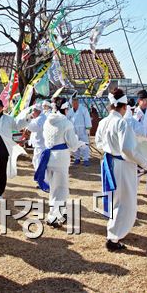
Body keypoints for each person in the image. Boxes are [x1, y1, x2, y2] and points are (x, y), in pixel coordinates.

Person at [95, 88, 147, 251]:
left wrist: (110, 149)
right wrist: (146, 164)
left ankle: (113, 232)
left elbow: (99, 143)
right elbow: (128, 149)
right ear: (123, 107)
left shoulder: (103, 122)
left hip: (109, 162)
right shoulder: (121, 123)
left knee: (116, 199)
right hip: (121, 164)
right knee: (125, 202)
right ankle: (113, 238)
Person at [35, 97, 84, 228]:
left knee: (54, 188)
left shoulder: (47, 121)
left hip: (49, 157)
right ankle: (54, 217)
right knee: (61, 189)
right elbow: (72, 144)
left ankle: (58, 213)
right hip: (60, 159)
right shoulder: (66, 123)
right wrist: (80, 143)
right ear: (65, 109)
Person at [68, 97, 92, 166]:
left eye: (76, 103)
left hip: (83, 130)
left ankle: (86, 159)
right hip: (73, 130)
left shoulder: (83, 109)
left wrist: (88, 128)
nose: (74, 104)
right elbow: (67, 119)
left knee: (84, 144)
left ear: (78, 102)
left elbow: (87, 118)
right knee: (75, 144)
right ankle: (77, 158)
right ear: (71, 103)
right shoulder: (70, 111)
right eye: (73, 103)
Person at [26, 103, 47, 171]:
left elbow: (34, 128)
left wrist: (26, 121)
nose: (33, 112)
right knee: (36, 160)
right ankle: (39, 177)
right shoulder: (38, 118)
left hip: (41, 144)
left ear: (38, 111)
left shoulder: (41, 118)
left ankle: (41, 178)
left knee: (39, 161)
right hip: (38, 144)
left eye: (34, 110)